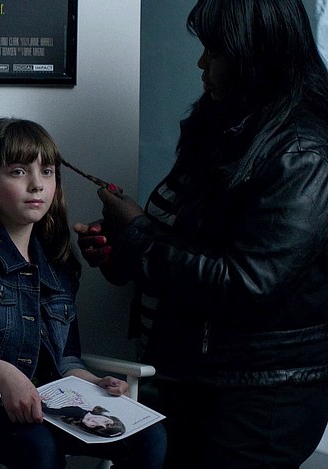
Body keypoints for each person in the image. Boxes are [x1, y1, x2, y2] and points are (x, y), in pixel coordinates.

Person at [74, 0, 328, 467]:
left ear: (255, 55)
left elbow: (248, 285)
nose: (201, 63)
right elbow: (194, 246)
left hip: (256, 400)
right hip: (196, 382)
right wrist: (120, 251)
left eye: (215, 51)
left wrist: (138, 233)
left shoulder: (300, 153)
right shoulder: (224, 125)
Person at [0, 118, 166, 469]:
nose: (36, 184)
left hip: (44, 405)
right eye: (18, 172)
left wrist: (95, 382)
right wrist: (5, 375)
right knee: (39, 445)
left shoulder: (57, 261)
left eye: (47, 172)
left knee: (150, 436)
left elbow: (65, 359)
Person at [43, 405, 126, 438]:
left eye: (97, 427)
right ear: (106, 416)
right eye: (106, 422)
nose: (97, 422)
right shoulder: (78, 412)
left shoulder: (77, 415)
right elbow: (47, 411)